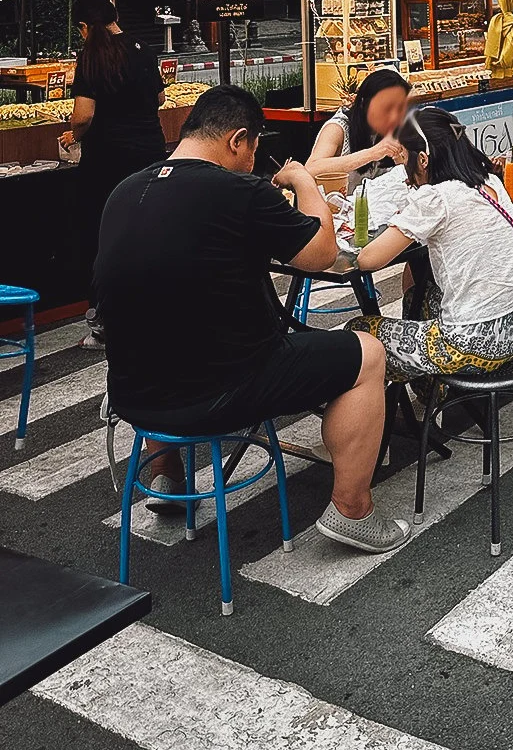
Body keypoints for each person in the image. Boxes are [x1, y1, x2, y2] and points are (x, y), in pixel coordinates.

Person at [94, 85, 406, 552]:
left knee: (159, 326)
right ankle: (352, 510)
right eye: (254, 147)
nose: (253, 160)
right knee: (368, 354)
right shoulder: (239, 190)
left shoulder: (124, 191)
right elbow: (321, 254)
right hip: (222, 391)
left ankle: (166, 477)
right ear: (238, 139)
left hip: (132, 393)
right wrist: (303, 183)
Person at [352, 107, 513, 382]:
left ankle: (390, 412)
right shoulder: (490, 181)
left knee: (360, 331)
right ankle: (433, 397)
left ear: (423, 160)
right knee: (418, 296)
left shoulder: (436, 198)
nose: (404, 171)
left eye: (405, 159)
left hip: (474, 345)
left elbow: (368, 260)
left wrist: (402, 217)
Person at [60, 0, 167, 352]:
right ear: (116, 16)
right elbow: (160, 101)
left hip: (106, 163)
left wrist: (72, 135)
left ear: (84, 27)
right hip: (150, 157)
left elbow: (84, 115)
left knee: (102, 237)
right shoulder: (144, 49)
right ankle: (155, 311)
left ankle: (104, 322)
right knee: (147, 232)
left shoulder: (90, 56)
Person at [305, 68, 411, 179]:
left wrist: (402, 160)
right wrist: (373, 153)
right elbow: (311, 169)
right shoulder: (337, 128)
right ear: (363, 103)